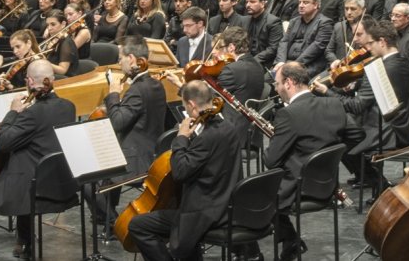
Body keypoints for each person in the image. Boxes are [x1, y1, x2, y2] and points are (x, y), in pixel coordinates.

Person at [0, 60, 74, 261]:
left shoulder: (31, 114)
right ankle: (25, 242)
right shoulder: (68, 107)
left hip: (31, 189)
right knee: (25, 164)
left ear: (29, 81)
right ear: (53, 80)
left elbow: (2, 142)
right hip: (58, 183)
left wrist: (12, 112)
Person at [127, 80, 241, 261]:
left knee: (138, 225)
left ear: (191, 104)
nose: (187, 112)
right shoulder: (230, 126)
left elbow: (180, 172)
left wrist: (181, 138)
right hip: (227, 203)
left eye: (186, 108)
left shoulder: (207, 137)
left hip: (205, 213)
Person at [265, 61, 349, 260]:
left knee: (257, 192)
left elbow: (271, 160)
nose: (275, 88)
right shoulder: (334, 104)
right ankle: (290, 241)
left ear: (289, 83)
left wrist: (277, 141)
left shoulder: (288, 114)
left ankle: (289, 238)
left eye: (277, 83)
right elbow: (354, 135)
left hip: (298, 189)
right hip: (328, 185)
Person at [315, 17, 409, 184]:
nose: (368, 48)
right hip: (399, 123)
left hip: (382, 129)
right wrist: (355, 85)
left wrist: (327, 92)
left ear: (382, 42)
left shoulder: (377, 68)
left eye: (371, 43)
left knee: (336, 130)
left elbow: (358, 106)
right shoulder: (402, 61)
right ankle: (366, 176)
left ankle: (374, 179)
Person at [91, 37, 168, 229]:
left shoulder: (137, 90)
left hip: (135, 161)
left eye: (121, 58)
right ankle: (109, 214)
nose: (119, 62)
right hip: (152, 152)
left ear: (132, 59)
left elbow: (117, 123)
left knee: (88, 181)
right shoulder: (156, 84)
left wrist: (113, 93)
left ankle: (114, 223)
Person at [274, 0, 334, 77]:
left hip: (308, 66)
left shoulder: (325, 23)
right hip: (287, 63)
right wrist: (281, 61)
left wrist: (293, 65)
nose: (301, 5)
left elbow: (317, 47)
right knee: (266, 80)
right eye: (300, 2)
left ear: (316, 5)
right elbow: (284, 41)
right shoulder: (294, 21)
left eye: (305, 2)